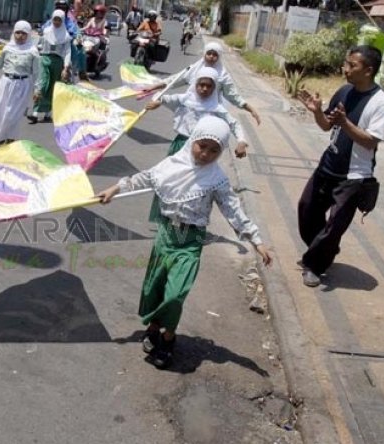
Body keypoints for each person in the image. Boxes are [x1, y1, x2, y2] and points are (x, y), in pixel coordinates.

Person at [96, 117, 272, 369]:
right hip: (166, 234)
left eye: (214, 150)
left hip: (190, 241)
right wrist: (115, 188)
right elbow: (145, 178)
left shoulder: (217, 179)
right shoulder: (172, 165)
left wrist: (257, 240)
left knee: (176, 294)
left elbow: (234, 210)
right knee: (154, 288)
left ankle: (168, 339)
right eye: (202, 146)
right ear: (192, 141)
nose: (206, 154)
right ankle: (154, 328)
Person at [296, 46, 384, 287]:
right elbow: (327, 126)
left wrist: (345, 122)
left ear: (368, 70)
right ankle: (324, 251)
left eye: (352, 65)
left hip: (354, 176)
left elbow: (370, 141)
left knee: (335, 224)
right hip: (328, 165)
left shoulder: (380, 103)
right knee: (306, 209)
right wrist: (317, 112)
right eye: (345, 63)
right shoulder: (345, 91)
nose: (345, 68)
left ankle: (315, 265)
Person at [144, 66, 249, 222]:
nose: (204, 89)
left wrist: (241, 141)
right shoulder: (184, 100)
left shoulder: (217, 108)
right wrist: (157, 102)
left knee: (193, 186)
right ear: (195, 84)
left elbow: (234, 124)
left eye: (209, 86)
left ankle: (185, 219)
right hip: (181, 146)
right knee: (168, 179)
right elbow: (164, 98)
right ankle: (162, 217)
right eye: (201, 84)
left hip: (203, 152)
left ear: (214, 88)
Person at [145, 42, 262, 126]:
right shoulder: (193, 69)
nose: (211, 57)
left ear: (219, 57)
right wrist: (154, 87)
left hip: (209, 114)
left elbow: (234, 97)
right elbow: (174, 80)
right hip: (189, 111)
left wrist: (251, 109)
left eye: (215, 54)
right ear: (204, 54)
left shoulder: (223, 76)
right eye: (209, 53)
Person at [0, 20, 41, 145]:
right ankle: (2, 135)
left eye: (23, 33)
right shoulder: (8, 48)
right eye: (17, 33)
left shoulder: (33, 51)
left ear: (28, 35)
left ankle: (8, 139)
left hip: (22, 86)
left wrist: (37, 90)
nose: (20, 36)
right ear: (13, 33)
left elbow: (37, 73)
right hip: (5, 83)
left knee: (12, 115)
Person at [29, 10, 72, 124]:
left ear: (62, 21)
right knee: (43, 84)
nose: (57, 22)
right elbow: (39, 44)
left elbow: (67, 52)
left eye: (59, 20)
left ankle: (48, 112)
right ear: (52, 19)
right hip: (45, 59)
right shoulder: (46, 31)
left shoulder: (66, 36)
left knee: (53, 86)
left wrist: (65, 67)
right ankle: (35, 112)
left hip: (58, 62)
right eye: (55, 19)